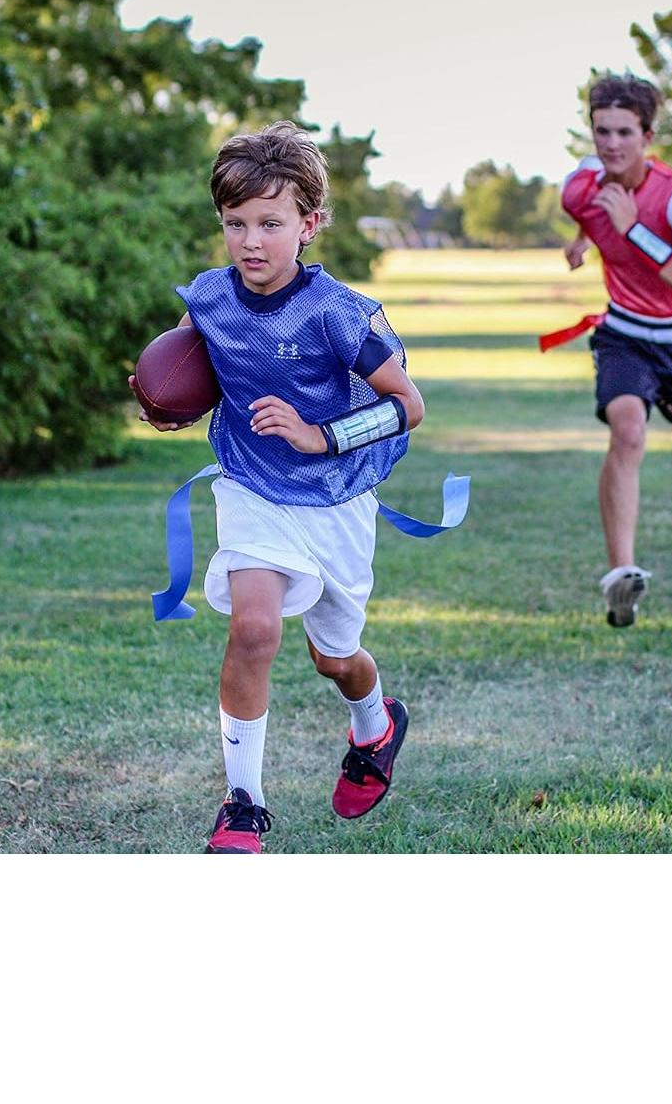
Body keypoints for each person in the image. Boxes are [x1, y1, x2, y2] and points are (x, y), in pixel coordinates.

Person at [131, 121, 428, 854]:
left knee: (335, 657)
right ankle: (243, 805)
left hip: (336, 496)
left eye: (271, 222)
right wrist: (165, 407)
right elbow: (185, 377)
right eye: (236, 224)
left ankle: (376, 726)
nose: (251, 241)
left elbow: (407, 407)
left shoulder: (337, 312)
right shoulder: (207, 297)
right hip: (251, 486)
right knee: (255, 628)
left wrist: (319, 435)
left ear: (310, 224)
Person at [541, 74, 672, 628]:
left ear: (648, 134)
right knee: (627, 429)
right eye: (602, 131)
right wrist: (584, 239)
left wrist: (632, 231)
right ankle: (622, 576)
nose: (612, 143)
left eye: (625, 131)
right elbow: (584, 212)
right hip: (623, 332)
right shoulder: (580, 185)